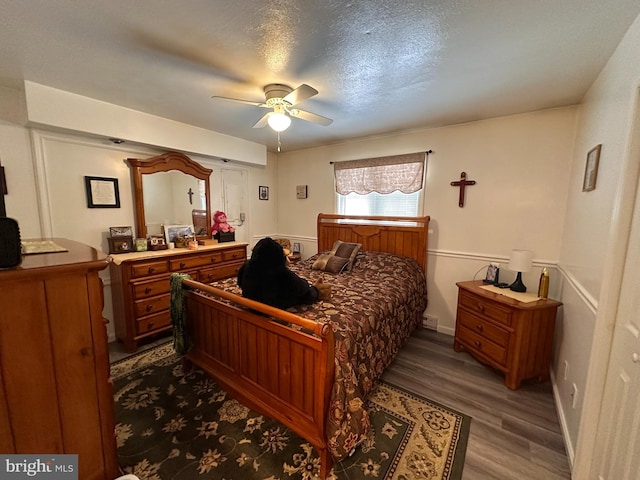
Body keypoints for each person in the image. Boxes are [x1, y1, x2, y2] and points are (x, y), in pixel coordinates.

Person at [237, 237, 329, 309]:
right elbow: (301, 287)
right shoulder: (279, 271)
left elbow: (239, 282)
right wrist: (309, 286)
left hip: (250, 300)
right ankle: (317, 290)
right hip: (269, 306)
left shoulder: (248, 265)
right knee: (306, 295)